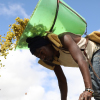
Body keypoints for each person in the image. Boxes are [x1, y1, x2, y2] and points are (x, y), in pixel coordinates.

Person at [26, 32, 100, 100]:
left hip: (96, 51)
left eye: (42, 52)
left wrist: (88, 89)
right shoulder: (50, 59)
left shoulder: (64, 39)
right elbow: (62, 81)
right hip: (90, 63)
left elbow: (81, 60)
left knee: (96, 89)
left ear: (48, 44)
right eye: (39, 57)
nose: (43, 57)